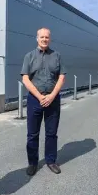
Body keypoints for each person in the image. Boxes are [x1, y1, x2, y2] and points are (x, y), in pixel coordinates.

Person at [20, 27, 67, 176]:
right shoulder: (29, 56)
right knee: (32, 134)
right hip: (35, 99)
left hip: (53, 99)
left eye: (47, 37)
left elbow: (61, 76)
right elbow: (25, 78)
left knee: (51, 133)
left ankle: (51, 160)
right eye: (42, 37)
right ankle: (32, 163)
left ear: (50, 39)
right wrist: (40, 97)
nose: (44, 39)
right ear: (37, 38)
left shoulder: (57, 56)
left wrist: (52, 95)